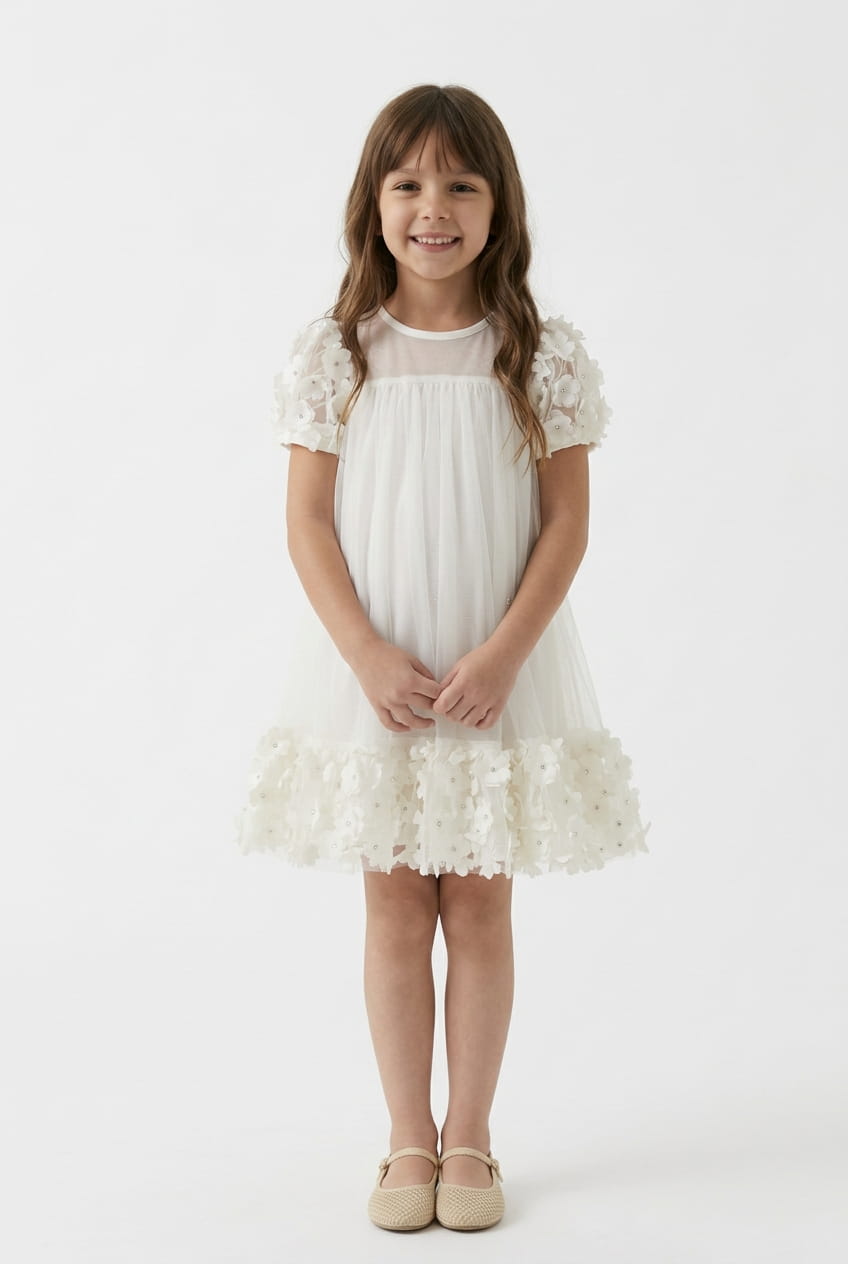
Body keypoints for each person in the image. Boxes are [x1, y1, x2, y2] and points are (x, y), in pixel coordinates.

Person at [234, 83, 651, 1232]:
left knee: (475, 902)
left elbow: (563, 523)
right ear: (371, 205)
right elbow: (306, 524)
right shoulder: (338, 352)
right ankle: (403, 1137)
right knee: (391, 906)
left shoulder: (534, 352)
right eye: (408, 183)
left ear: (497, 206)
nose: (433, 208)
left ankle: (468, 1135)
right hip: (378, 674)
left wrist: (506, 654)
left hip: (491, 669)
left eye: (461, 185)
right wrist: (364, 653)